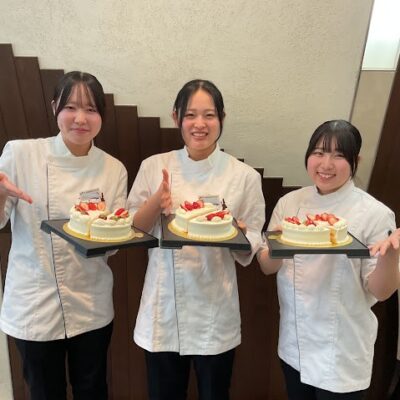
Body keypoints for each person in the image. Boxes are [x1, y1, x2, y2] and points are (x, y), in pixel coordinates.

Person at [127, 79, 265, 400]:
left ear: (221, 119)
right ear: (176, 117)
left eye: (209, 115)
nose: (199, 124)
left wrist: (238, 232)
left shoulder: (244, 177)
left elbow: (251, 243)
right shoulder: (154, 166)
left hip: (214, 310)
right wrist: (155, 203)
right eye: (190, 115)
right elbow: (133, 230)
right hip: (163, 308)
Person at [0, 71, 128, 400]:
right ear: (54, 106)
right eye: (70, 107)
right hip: (35, 304)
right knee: (45, 392)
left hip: (91, 303)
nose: (80, 118)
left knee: (93, 390)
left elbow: (111, 246)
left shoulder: (113, 169)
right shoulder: (21, 154)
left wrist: (111, 229)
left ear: (102, 115)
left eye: (91, 109)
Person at [257, 120, 400, 399]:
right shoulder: (290, 204)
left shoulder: (375, 214)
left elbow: (381, 291)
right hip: (294, 346)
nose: (326, 164)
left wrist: (391, 254)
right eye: (319, 153)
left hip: (341, 353)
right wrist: (282, 242)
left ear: (356, 161)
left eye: (339, 155)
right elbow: (266, 266)